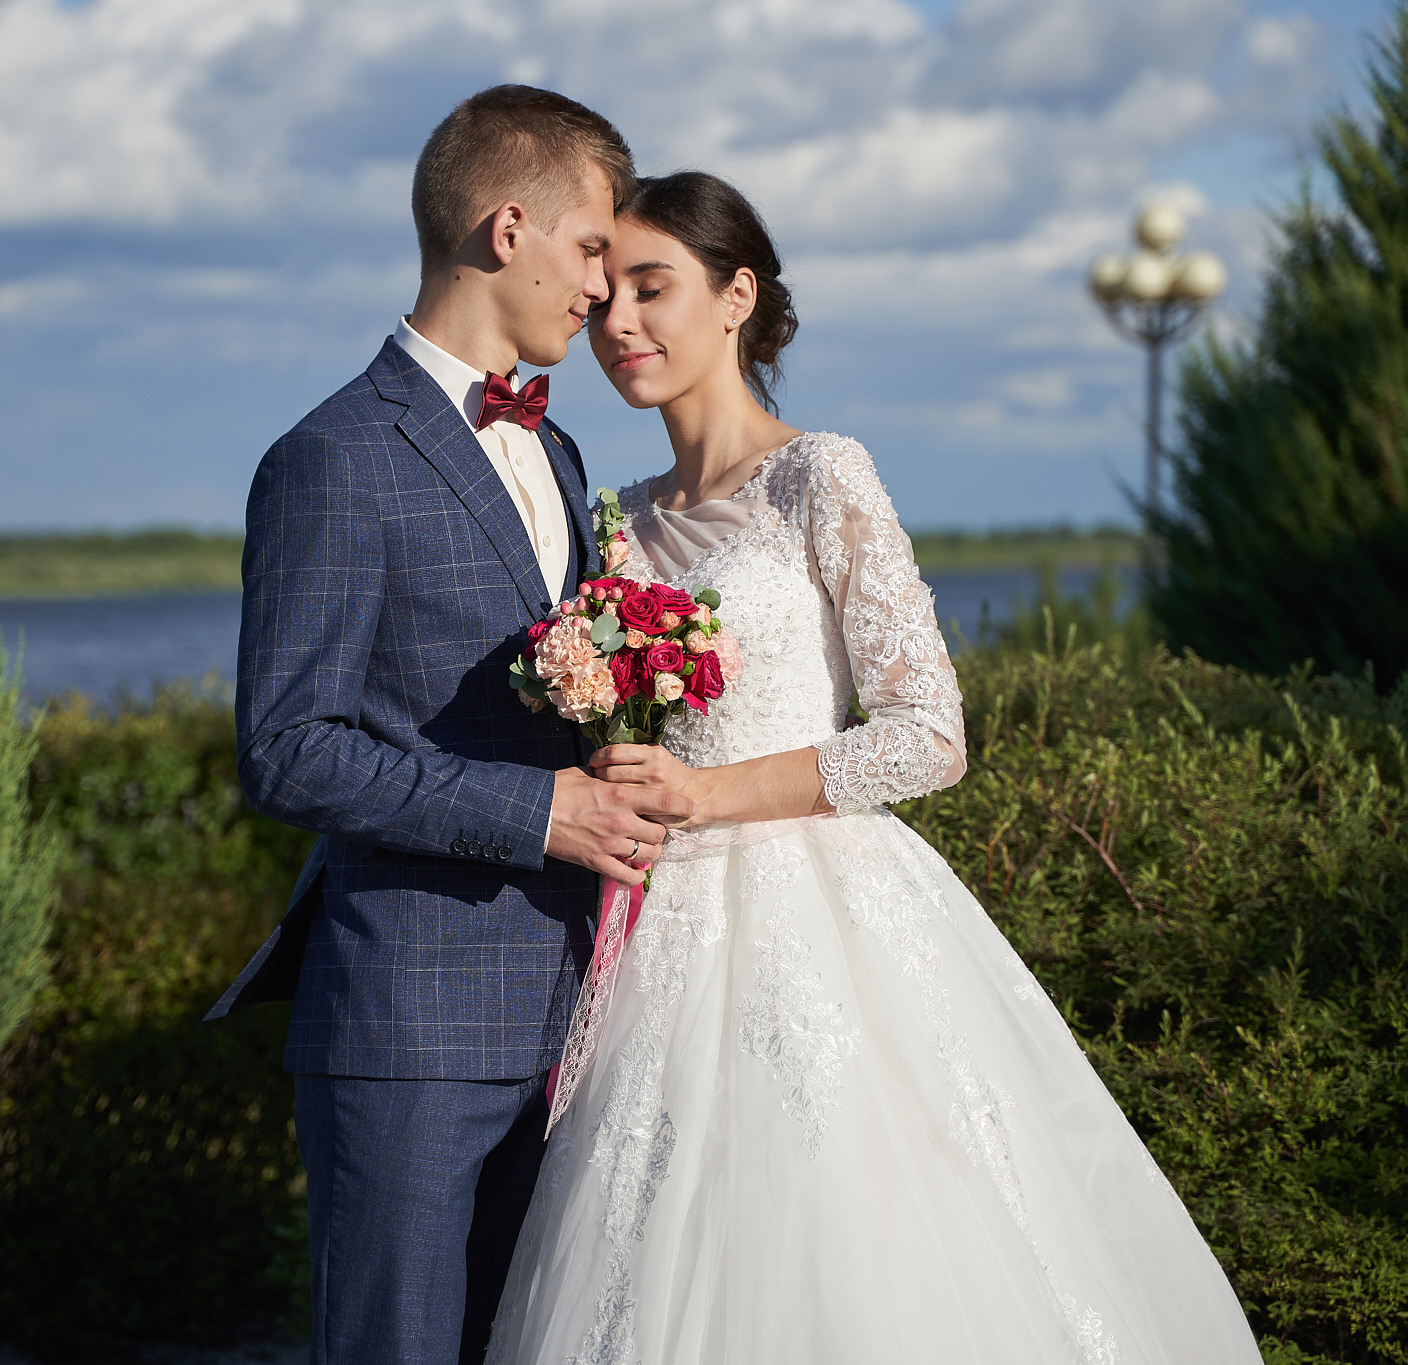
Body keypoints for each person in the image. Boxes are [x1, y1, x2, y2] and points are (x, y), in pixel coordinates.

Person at [484, 171, 1264, 1365]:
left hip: (817, 913)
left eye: (654, 289)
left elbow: (926, 735)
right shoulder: (613, 517)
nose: (620, 326)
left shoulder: (819, 475)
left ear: (736, 294)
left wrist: (707, 794)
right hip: (647, 929)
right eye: (603, 304)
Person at [205, 88, 695, 1365]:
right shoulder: (331, 458)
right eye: (592, 249)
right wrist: (544, 812)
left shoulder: (566, 453)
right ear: (507, 226)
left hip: (579, 1017)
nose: (603, 288)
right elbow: (287, 747)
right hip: (408, 1025)